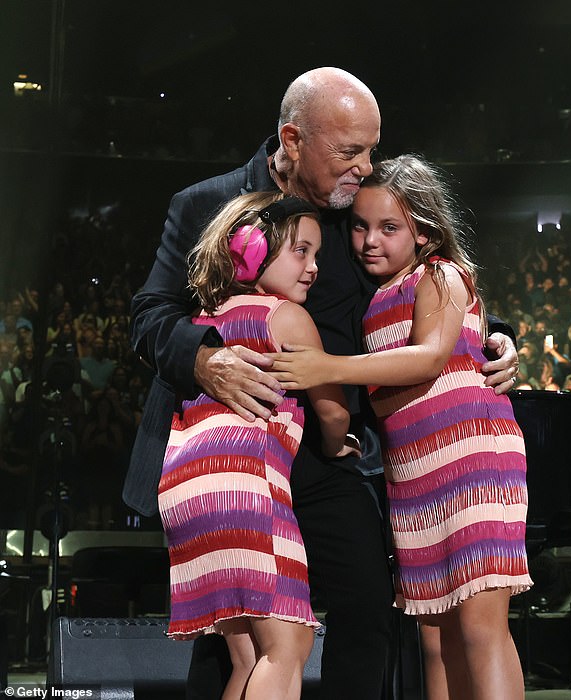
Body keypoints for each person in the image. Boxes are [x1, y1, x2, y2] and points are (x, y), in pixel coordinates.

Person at [123, 67, 520, 700]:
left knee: (367, 608)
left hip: (325, 452)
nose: (365, 167)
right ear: (293, 137)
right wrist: (204, 361)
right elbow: (148, 315)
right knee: (234, 638)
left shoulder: (351, 213)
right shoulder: (206, 204)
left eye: (371, 149)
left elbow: (419, 275)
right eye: (350, 152)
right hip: (235, 450)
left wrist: (490, 332)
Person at [268, 154, 532, 699]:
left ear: (425, 229)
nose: (369, 240)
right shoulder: (377, 300)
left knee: (482, 629)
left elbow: (430, 356)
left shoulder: (441, 274)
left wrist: (327, 368)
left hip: (471, 460)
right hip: (412, 476)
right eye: (361, 226)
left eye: (390, 227)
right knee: (434, 640)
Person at [160, 191, 359, 700]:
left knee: (250, 656)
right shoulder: (286, 317)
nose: (313, 267)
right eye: (301, 251)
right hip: (247, 490)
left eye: (317, 254)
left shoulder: (201, 322)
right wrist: (338, 446)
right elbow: (333, 410)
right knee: (288, 645)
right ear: (249, 249)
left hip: (186, 490)